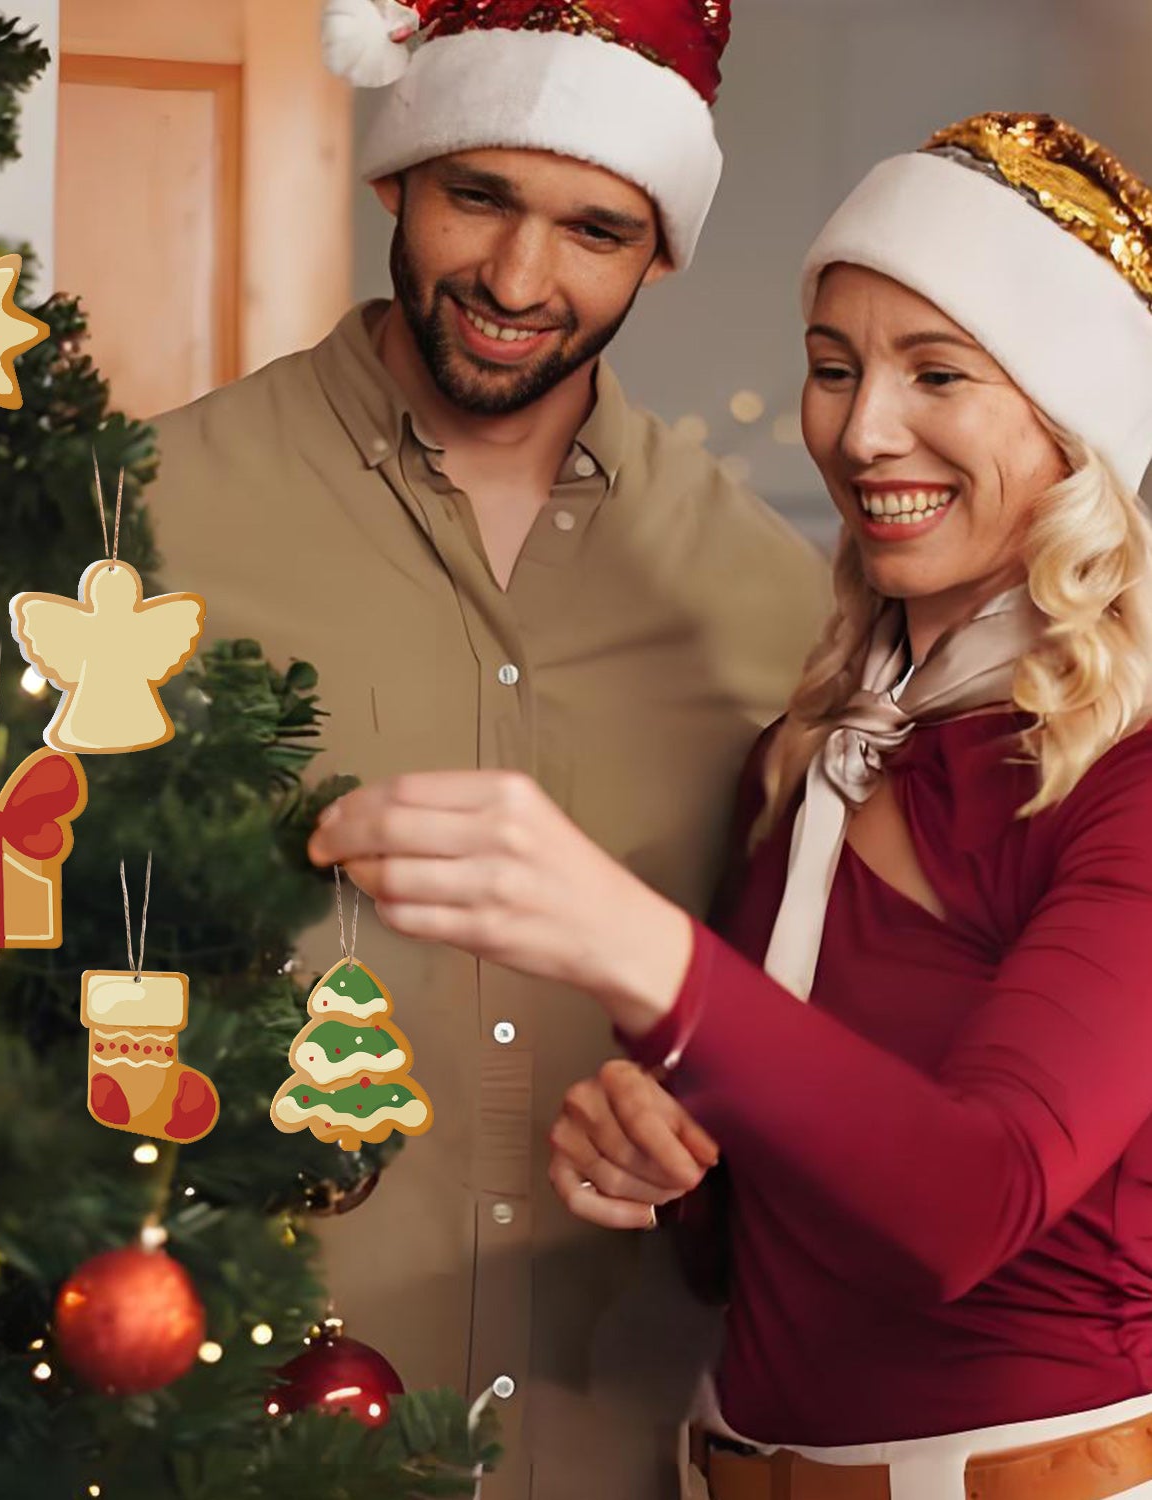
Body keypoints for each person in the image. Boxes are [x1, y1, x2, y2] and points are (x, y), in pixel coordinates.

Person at [307, 110, 1152, 1500]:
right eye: (833, 367)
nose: (862, 431)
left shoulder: (1127, 779)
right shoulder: (810, 757)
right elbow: (782, 1233)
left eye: (938, 373)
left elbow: (969, 1204)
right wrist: (671, 1166)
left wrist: (631, 946)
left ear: (1074, 423)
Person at [148, 1, 829, 1494]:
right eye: (480, 197)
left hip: (630, 1439)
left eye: (595, 230)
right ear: (396, 177)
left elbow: (824, 1037)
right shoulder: (147, 519)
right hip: (231, 1431)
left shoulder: (774, 607)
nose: (520, 279)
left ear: (659, 252)